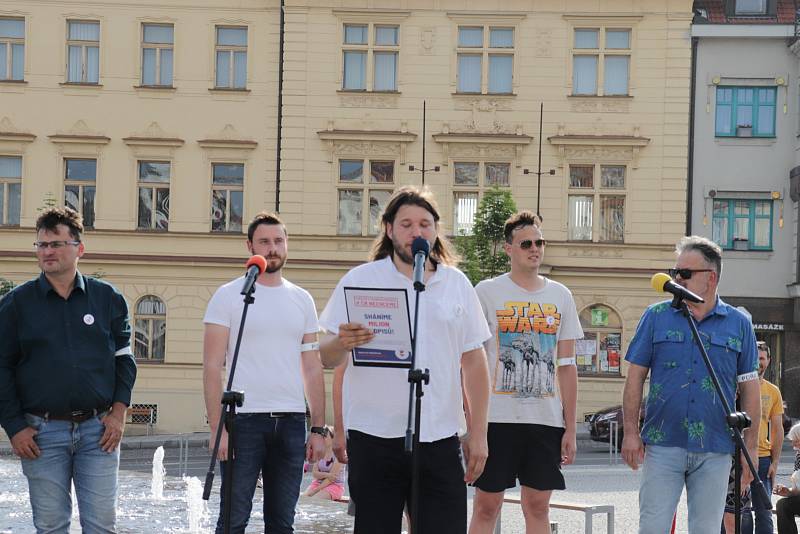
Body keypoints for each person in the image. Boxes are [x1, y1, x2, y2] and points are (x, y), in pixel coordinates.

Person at [319, 185, 491, 534]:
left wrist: (479, 433)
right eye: (407, 224)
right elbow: (325, 356)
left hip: (439, 436)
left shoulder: (456, 284)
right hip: (374, 437)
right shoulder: (361, 280)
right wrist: (341, 341)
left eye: (425, 224)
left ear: (436, 230)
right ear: (388, 229)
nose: (417, 232)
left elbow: (474, 362)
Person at [0, 206, 137, 533]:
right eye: (42, 245)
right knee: (50, 525)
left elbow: (125, 360)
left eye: (56, 244)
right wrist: (15, 427)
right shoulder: (17, 304)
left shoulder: (107, 299)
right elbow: (1, 369)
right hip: (42, 434)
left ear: (79, 248)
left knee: (102, 525)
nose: (47, 252)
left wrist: (118, 414)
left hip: (98, 431)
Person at [622, 235, 761, 534]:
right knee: (653, 528)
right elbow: (635, 377)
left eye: (684, 274)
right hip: (662, 444)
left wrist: (750, 450)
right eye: (675, 272)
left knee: (706, 530)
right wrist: (631, 432)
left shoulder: (739, 324)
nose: (676, 279)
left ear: (710, 278)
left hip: (716, 447)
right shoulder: (656, 316)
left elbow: (750, 390)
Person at [202, 211, 326, 534]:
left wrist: (318, 428)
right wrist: (218, 427)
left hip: (290, 423)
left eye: (278, 241)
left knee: (283, 523)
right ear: (249, 246)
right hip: (243, 421)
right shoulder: (229, 296)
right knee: (232, 520)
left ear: (287, 245)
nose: (273, 248)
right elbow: (213, 367)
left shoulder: (303, 300)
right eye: (264, 242)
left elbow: (312, 368)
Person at [468, 211, 582, 534]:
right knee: (486, 506)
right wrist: (472, 423)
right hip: (496, 419)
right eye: (526, 243)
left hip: (545, 421)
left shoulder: (561, 295)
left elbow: (567, 366)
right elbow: (471, 361)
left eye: (540, 242)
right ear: (509, 249)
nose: (535, 249)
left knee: (537, 506)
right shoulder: (486, 292)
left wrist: (570, 428)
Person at [740, 340, 784, 534]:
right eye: (755, 358)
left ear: (769, 361)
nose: (759, 362)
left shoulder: (773, 391)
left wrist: (775, 462)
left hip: (763, 459)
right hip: (737, 457)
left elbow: (777, 429)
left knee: (764, 511)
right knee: (742, 511)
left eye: (762, 358)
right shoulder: (736, 387)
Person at [303, 426, 346, 500]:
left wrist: (315, 491)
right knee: (304, 500)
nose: (322, 438)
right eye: (322, 435)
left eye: (325, 436)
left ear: (333, 438)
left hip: (335, 486)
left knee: (315, 499)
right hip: (317, 483)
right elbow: (314, 473)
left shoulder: (339, 453)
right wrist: (327, 474)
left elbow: (331, 479)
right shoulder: (320, 451)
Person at [775, 423, 800, 534]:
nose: (794, 444)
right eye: (793, 441)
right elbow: (798, 489)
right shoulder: (798, 457)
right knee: (782, 505)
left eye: (796, 440)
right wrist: (788, 491)